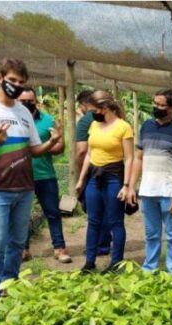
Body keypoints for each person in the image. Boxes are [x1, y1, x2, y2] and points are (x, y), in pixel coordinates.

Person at [0, 58, 62, 295]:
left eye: (21, 82)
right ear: (0, 78)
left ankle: (9, 285)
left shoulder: (23, 113)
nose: (16, 85)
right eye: (11, 80)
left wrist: (51, 143)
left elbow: (33, 150)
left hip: (24, 188)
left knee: (18, 243)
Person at [128, 88, 172, 273]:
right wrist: (132, 186)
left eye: (161, 105)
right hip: (148, 191)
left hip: (169, 192)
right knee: (151, 234)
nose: (156, 107)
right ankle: (150, 268)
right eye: (155, 103)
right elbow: (138, 158)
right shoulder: (147, 126)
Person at [74, 90, 135, 273]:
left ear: (105, 108)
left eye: (94, 109)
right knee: (93, 220)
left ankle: (116, 263)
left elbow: (129, 158)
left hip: (114, 177)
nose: (92, 113)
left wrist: (126, 185)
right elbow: (90, 154)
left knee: (115, 221)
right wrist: (81, 179)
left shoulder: (123, 127)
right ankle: (89, 262)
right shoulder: (93, 125)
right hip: (94, 177)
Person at [18, 88, 71, 263]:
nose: (27, 104)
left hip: (44, 174)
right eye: (23, 100)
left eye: (30, 101)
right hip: (20, 176)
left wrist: (53, 142)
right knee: (21, 215)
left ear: (36, 102)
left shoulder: (48, 120)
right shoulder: (12, 121)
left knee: (53, 212)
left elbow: (60, 148)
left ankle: (59, 248)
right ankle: (23, 250)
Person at [76, 90, 111, 256]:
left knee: (94, 212)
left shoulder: (85, 121)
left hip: (93, 170)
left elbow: (82, 151)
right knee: (108, 209)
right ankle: (104, 243)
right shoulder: (116, 118)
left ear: (84, 104)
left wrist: (80, 175)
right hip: (113, 170)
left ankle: (98, 246)